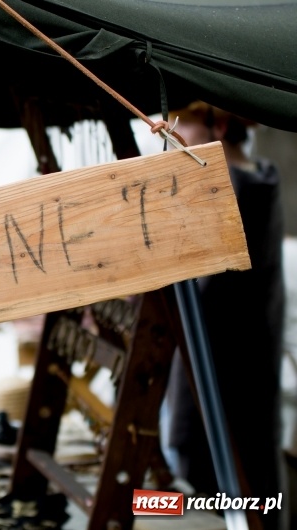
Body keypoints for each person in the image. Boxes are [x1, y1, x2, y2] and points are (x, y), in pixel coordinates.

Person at [165, 101, 286, 529]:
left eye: (186, 125)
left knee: (233, 485)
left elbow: (209, 290)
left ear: (217, 124)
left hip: (231, 366)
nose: (176, 136)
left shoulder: (239, 190)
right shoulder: (249, 181)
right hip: (237, 361)